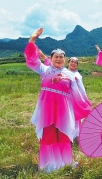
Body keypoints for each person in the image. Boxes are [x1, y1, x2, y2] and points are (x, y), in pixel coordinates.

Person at [24, 28, 91, 172]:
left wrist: (82, 109)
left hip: (63, 109)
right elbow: (31, 60)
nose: (59, 59)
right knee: (48, 134)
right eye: (56, 56)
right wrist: (32, 40)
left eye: (61, 57)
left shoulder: (70, 75)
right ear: (52, 58)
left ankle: (65, 162)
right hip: (47, 108)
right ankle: (49, 165)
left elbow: (77, 94)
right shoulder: (44, 70)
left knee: (63, 134)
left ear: (64, 59)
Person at [67, 57, 90, 137]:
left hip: (75, 98)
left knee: (75, 114)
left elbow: (81, 88)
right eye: (72, 62)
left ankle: (75, 133)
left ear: (77, 65)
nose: (73, 63)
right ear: (68, 63)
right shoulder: (63, 72)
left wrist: (83, 98)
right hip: (65, 97)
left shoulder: (78, 75)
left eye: (75, 63)